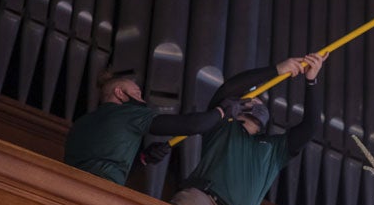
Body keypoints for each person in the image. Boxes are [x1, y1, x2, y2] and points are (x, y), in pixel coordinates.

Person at [172, 54, 326, 205]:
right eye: (252, 96)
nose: (257, 100)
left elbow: (310, 127)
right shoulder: (222, 126)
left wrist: (311, 81)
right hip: (201, 202)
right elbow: (228, 89)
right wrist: (277, 70)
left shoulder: (274, 150)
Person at [64, 70, 247, 185]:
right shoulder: (128, 114)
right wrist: (223, 111)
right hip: (101, 191)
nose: (142, 100)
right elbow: (193, 125)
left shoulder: (81, 123)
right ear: (119, 93)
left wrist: (143, 158)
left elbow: (100, 161)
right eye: (137, 93)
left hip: (69, 186)